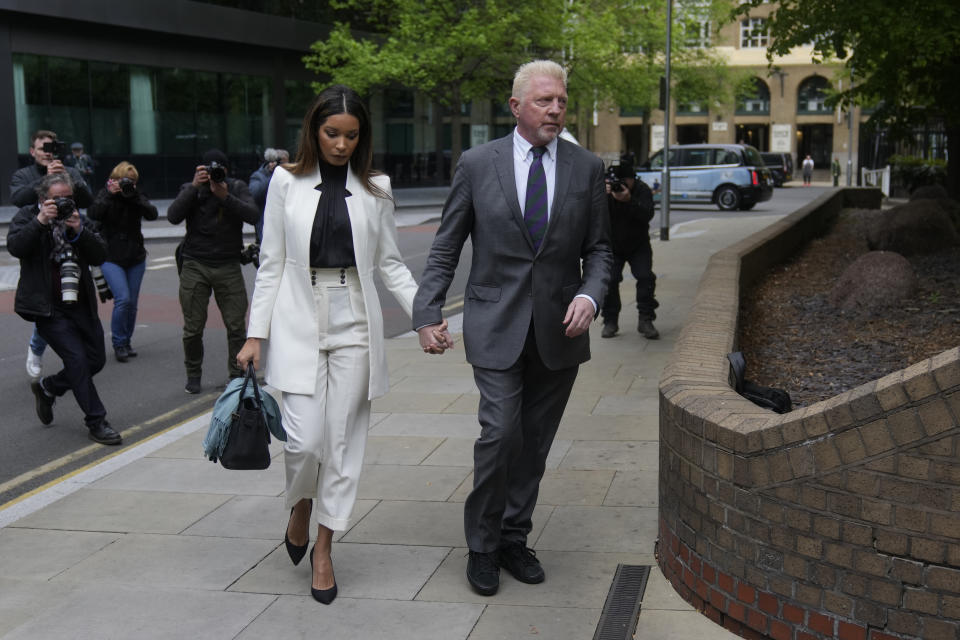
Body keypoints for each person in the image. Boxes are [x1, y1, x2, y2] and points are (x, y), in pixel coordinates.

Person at [412, 60, 612, 596]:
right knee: (501, 434)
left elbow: (600, 250)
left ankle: (512, 537)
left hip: (559, 333)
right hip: (494, 323)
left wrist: (591, 295)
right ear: (516, 106)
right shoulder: (479, 164)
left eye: (562, 101)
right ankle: (481, 546)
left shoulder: (586, 166)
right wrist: (427, 310)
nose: (555, 109)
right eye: (545, 100)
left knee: (535, 445)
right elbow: (447, 243)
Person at [236, 85, 439, 605]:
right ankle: (301, 503)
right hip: (298, 314)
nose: (342, 144)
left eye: (351, 135)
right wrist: (255, 334)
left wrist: (425, 317)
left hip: (355, 315)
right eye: (332, 133)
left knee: (343, 445)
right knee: (304, 441)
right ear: (314, 130)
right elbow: (272, 263)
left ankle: (324, 547)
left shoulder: (378, 188)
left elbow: (391, 263)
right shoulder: (284, 181)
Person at [6, 173, 122, 445]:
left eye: (68, 198)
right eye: (57, 198)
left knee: (95, 360)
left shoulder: (79, 219)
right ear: (43, 198)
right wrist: (40, 222)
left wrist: (79, 232)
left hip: (80, 303)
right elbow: (16, 246)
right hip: (47, 308)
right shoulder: (28, 216)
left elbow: (100, 254)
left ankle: (49, 388)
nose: (64, 203)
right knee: (77, 360)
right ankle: (97, 420)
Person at [168, 149, 259, 394]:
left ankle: (236, 374)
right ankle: (193, 374)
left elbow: (253, 215)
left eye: (219, 170)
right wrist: (194, 188)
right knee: (193, 327)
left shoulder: (236, 187)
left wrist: (225, 197)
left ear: (226, 171)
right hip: (195, 263)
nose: (214, 175)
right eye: (209, 170)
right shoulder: (192, 188)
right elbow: (173, 216)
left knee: (236, 325)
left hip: (228, 264)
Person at [11, 130, 95, 379]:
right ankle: (37, 348)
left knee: (70, 301)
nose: (48, 152)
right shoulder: (23, 175)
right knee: (48, 303)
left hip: (70, 242)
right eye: (42, 147)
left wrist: (67, 178)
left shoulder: (69, 169)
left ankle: (77, 358)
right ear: (32, 150)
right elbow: (17, 198)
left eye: (52, 147)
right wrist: (45, 180)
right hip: (39, 247)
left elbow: (87, 198)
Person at [87, 161, 159, 362]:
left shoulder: (136, 196)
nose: (128, 184)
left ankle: (126, 341)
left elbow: (152, 214)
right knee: (123, 299)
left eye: (132, 181)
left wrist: (134, 196)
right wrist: (111, 194)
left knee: (132, 303)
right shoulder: (105, 194)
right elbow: (93, 214)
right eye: (124, 180)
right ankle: (119, 343)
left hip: (135, 256)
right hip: (110, 256)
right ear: (115, 179)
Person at [600, 156, 659, 340]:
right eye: (618, 181)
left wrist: (629, 200)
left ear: (633, 179)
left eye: (625, 181)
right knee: (609, 281)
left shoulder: (641, 190)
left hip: (638, 245)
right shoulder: (605, 193)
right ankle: (610, 320)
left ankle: (646, 319)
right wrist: (601, 195)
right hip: (613, 246)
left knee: (645, 277)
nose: (621, 185)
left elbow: (647, 214)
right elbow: (593, 216)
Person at [249, 147, 290, 242]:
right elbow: (255, 195)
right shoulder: (258, 176)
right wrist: (274, 175)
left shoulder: (291, 176)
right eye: (282, 164)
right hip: (267, 228)